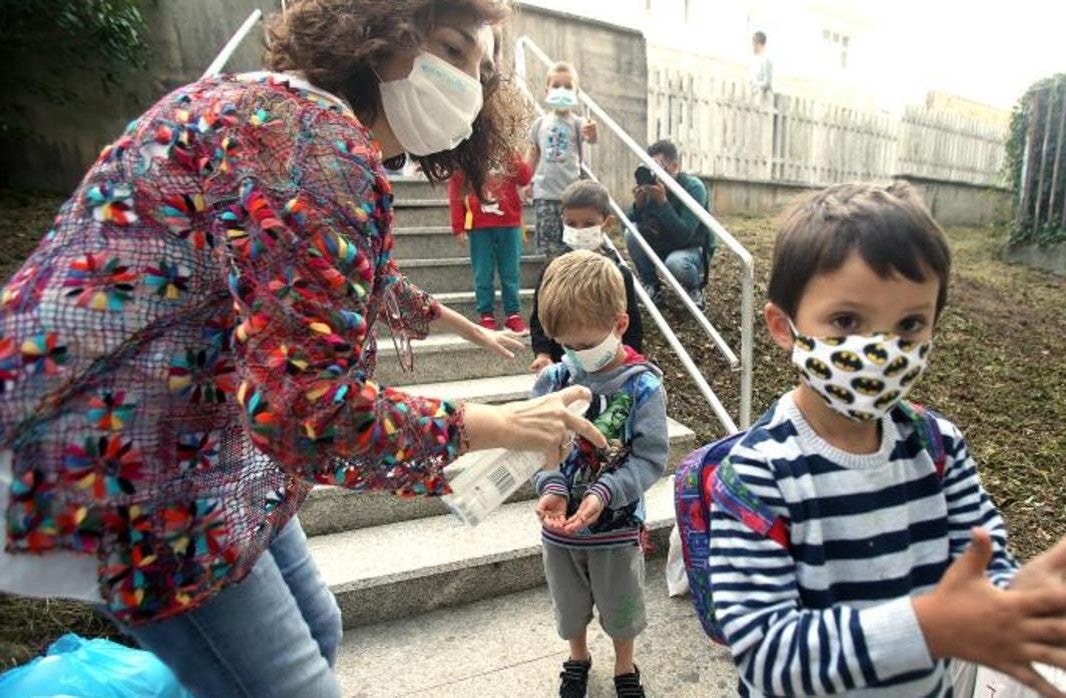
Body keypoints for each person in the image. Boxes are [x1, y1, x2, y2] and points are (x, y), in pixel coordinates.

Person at [0, 2, 607, 697]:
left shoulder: (282, 116)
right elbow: (305, 411)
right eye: (454, 48)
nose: (471, 81)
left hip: (184, 441)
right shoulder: (309, 146)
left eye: (483, 67)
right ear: (380, 38)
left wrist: (471, 330)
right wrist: (498, 426)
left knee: (316, 626)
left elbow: (354, 278)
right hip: (122, 459)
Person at [707, 182, 1066, 697]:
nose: (882, 350)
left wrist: (1013, 605)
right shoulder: (757, 475)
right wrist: (928, 626)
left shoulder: (936, 448)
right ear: (783, 326)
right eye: (846, 321)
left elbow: (981, 567)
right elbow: (767, 654)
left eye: (910, 324)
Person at [530, 250, 669, 698]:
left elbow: (650, 458)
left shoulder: (643, 385)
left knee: (621, 603)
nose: (576, 355)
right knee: (569, 604)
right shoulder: (553, 379)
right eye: (565, 344)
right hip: (560, 528)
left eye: (586, 343)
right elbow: (541, 445)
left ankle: (625, 666)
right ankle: (578, 657)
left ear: (620, 324)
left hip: (616, 524)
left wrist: (607, 492)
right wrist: (551, 484)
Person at [530, 180, 644, 374]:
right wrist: (543, 354)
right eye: (571, 223)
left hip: (609, 367)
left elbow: (632, 324)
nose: (579, 229)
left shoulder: (619, 273)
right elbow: (540, 317)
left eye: (589, 224)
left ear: (607, 223)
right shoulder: (552, 269)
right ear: (562, 220)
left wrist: (632, 365)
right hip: (564, 366)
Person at [449, 148, 532, 333]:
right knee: (482, 272)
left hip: (510, 223)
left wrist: (515, 153)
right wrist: (458, 225)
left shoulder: (509, 152)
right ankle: (486, 315)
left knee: (511, 271)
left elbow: (525, 178)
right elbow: (456, 189)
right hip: (479, 225)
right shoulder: (467, 154)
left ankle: (513, 314)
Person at [525, 61, 598, 261]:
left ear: (575, 92)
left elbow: (591, 137)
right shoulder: (539, 124)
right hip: (544, 195)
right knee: (550, 249)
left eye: (568, 87)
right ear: (546, 89)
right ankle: (553, 285)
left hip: (571, 198)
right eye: (556, 86)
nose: (562, 90)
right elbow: (533, 153)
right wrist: (524, 181)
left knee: (573, 245)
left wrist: (593, 132)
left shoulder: (577, 123)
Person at [625, 140, 711, 309]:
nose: (654, 172)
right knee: (631, 232)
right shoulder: (651, 186)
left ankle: (694, 287)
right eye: (650, 166)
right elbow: (626, 227)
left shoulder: (693, 188)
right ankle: (651, 285)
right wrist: (639, 206)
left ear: (675, 167)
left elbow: (685, 234)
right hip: (663, 243)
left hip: (690, 247)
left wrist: (663, 203)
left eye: (658, 166)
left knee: (676, 263)